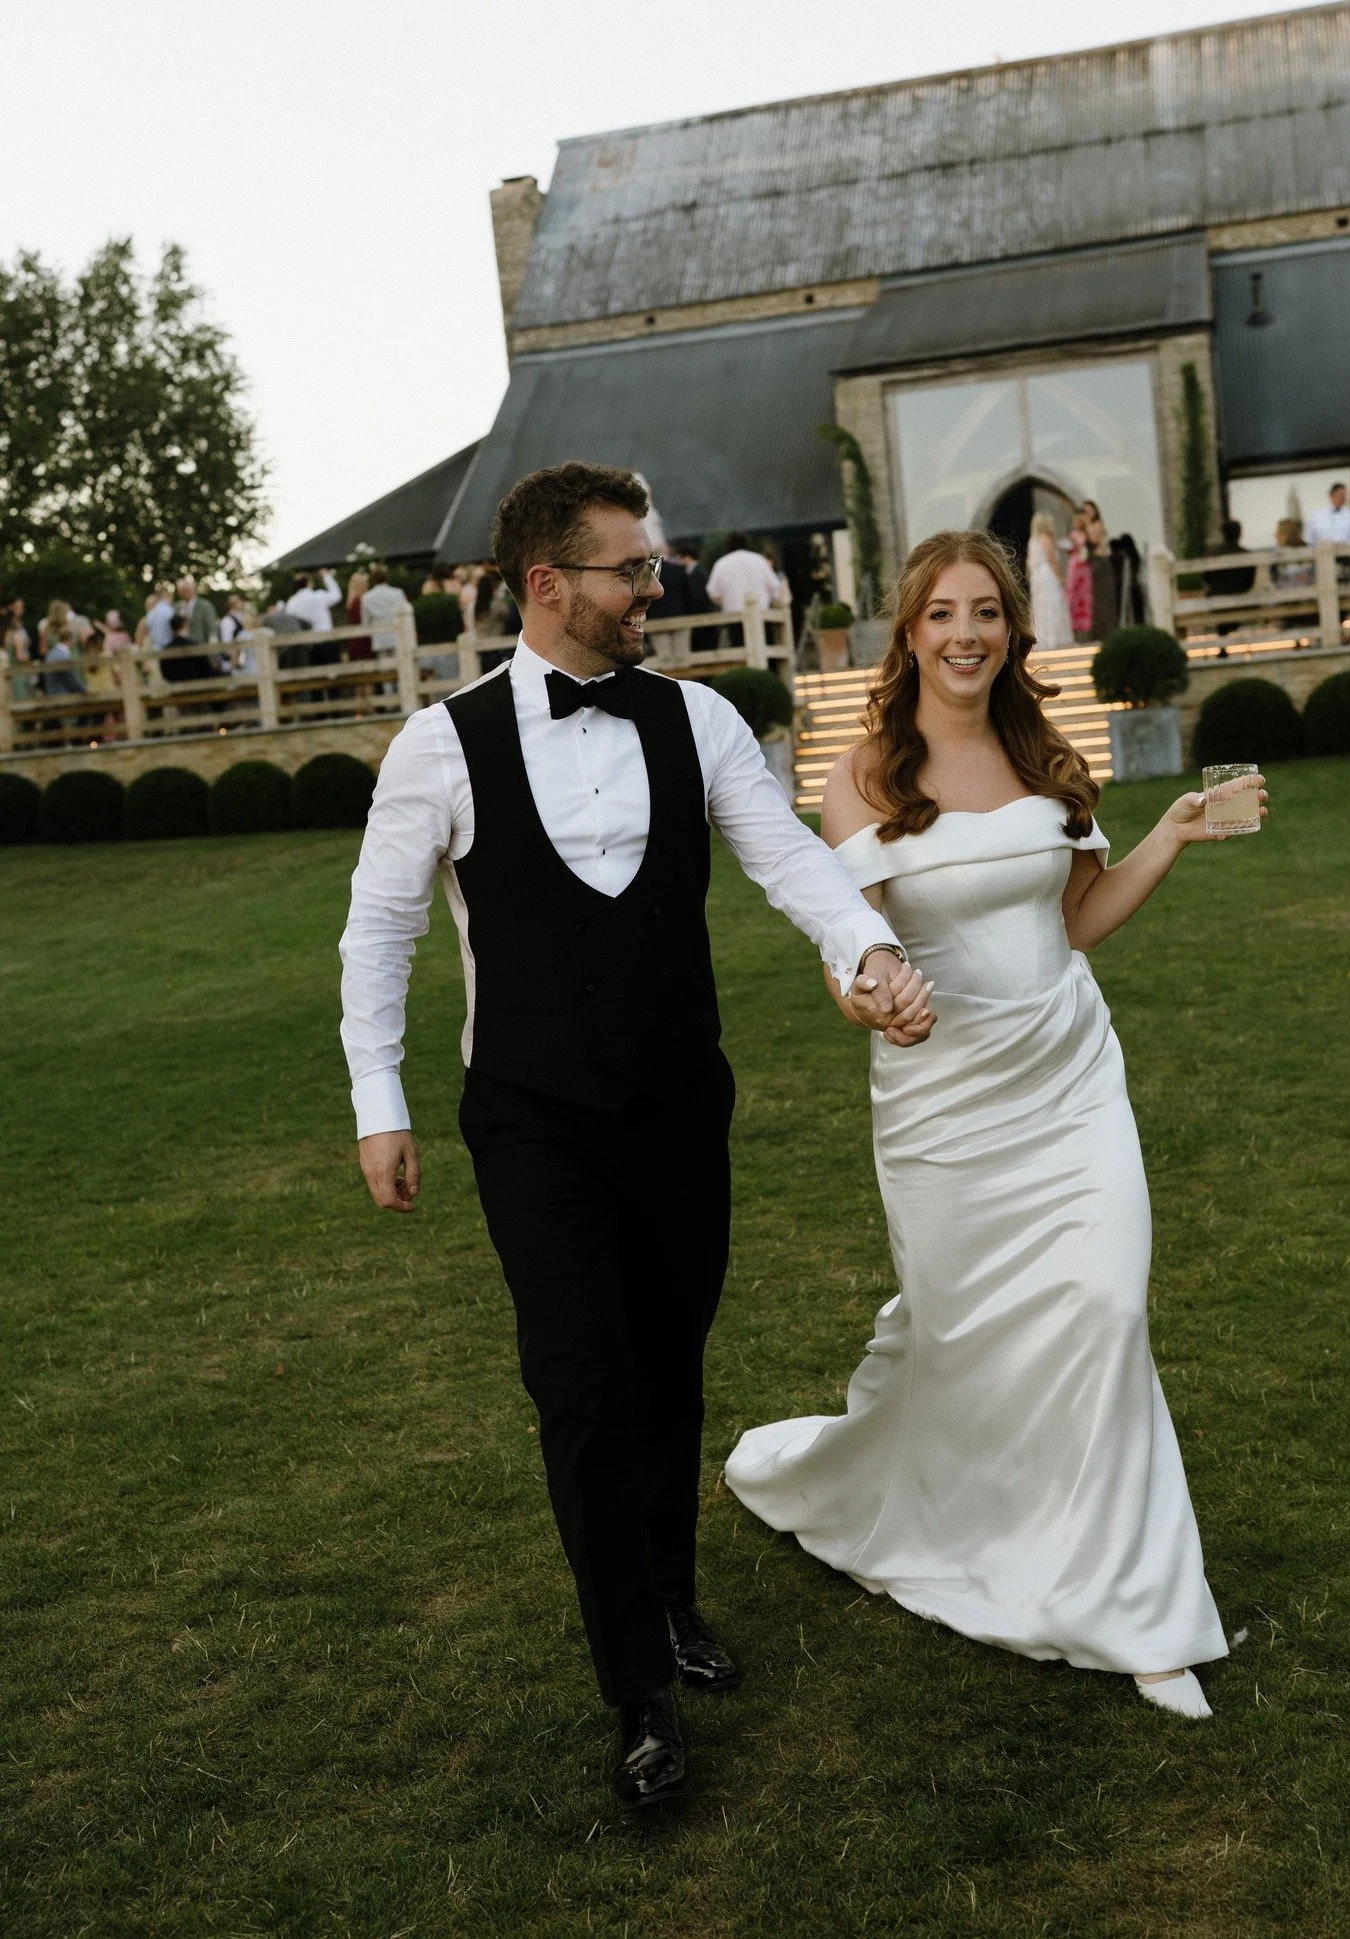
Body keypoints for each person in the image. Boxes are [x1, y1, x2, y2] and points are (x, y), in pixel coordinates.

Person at [339, 461, 932, 1811]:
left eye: (651, 564)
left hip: (678, 1108)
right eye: (631, 568)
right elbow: (381, 929)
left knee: (666, 1365)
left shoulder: (702, 720)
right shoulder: (441, 742)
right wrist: (382, 1099)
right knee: (582, 1385)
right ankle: (637, 1689)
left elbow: (795, 864)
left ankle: (669, 1595)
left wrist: (876, 947)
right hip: (533, 1122)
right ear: (549, 585)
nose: (652, 584)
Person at [727, 528, 1264, 1722]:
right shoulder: (862, 771)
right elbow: (843, 942)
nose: (965, 634)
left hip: (1073, 1081)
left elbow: (1072, 923)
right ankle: (938, 1505)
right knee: (969, 1339)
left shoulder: (1043, 750)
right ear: (909, 630)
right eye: (941, 614)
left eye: (987, 613)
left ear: (1014, 631)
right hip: (943, 1110)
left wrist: (1170, 832)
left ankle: (1136, 1610)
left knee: (1107, 1308)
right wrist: (868, 991)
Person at [1024, 512, 1072, 650]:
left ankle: (1044, 638)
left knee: (1041, 606)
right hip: (1047, 576)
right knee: (1053, 603)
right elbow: (1052, 559)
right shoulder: (1046, 538)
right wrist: (1059, 577)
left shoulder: (1032, 540)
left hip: (1037, 577)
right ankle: (1055, 639)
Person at [706, 533, 784, 614]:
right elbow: (775, 587)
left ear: (727, 546)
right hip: (761, 614)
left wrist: (728, 598)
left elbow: (712, 593)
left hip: (734, 617)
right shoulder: (759, 560)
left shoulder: (720, 563)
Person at [167, 576, 221, 682]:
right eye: (182, 590)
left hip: (201, 654)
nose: (185, 592)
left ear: (193, 589)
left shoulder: (205, 606)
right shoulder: (176, 607)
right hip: (182, 656)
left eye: (187, 589)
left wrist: (213, 656)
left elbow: (212, 632)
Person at [1080, 501, 1117, 642]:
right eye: (1085, 511)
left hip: (1101, 562)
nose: (1087, 514)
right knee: (1095, 600)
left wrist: (1086, 526)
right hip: (1094, 562)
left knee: (1104, 599)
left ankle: (1108, 631)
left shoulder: (1096, 525)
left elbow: (1094, 541)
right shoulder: (1086, 527)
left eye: (1089, 511)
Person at [285, 569, 343, 638]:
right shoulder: (319, 596)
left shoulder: (291, 602)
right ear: (309, 583)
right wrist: (326, 576)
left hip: (305, 642)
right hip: (325, 638)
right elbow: (337, 596)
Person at [1303, 482, 1350, 548]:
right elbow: (1309, 539)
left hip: (1346, 555)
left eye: (1344, 495)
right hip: (1322, 554)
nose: (1342, 498)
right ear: (1331, 495)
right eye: (1339, 495)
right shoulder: (1317, 516)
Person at [1064, 516, 1093, 640]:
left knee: (1085, 597)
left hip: (1084, 568)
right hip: (1074, 568)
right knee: (1073, 598)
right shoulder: (1072, 535)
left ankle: (1087, 630)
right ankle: (1075, 631)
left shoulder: (1086, 534)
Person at [1111, 533, 1148, 627]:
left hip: (1128, 590)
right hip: (1136, 588)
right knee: (1138, 618)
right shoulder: (1136, 556)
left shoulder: (1124, 558)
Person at [1270, 517, 1314, 589]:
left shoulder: (1279, 552)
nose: (1275, 535)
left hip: (1289, 590)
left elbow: (1273, 576)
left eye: (1278, 531)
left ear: (1284, 535)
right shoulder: (1308, 548)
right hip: (1307, 588)